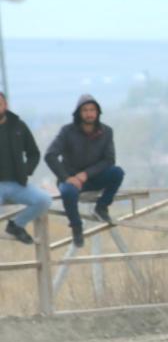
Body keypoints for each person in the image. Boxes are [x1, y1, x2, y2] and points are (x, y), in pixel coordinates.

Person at [45, 94, 124, 248]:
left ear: (97, 112)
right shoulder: (67, 131)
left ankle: (101, 207)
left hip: (93, 178)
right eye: (85, 110)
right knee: (67, 192)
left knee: (117, 172)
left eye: (92, 110)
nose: (89, 113)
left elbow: (109, 160)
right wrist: (67, 177)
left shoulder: (106, 131)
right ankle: (76, 227)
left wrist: (86, 174)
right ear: (78, 113)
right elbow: (50, 155)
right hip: (70, 180)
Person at [0, 91, 52, 245]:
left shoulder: (19, 126)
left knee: (44, 200)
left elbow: (34, 153)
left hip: (18, 183)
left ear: (6, 105)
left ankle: (16, 226)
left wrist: (26, 170)